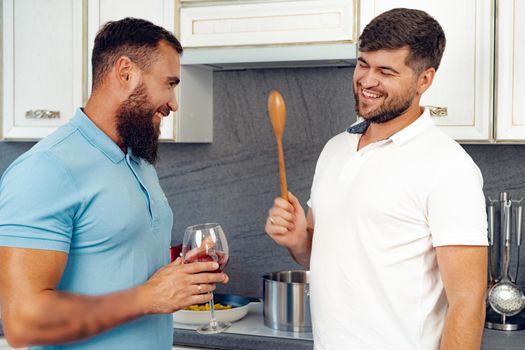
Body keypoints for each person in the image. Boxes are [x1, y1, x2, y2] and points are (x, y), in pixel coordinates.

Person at [265, 8, 488, 350]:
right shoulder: (336, 149)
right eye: (363, 64)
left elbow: (467, 303)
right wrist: (298, 240)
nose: (367, 80)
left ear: (424, 80)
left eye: (385, 71)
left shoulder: (448, 167)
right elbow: (323, 257)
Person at [0, 18, 228, 349]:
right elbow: (24, 323)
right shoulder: (46, 169)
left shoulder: (138, 159)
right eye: (169, 83)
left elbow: (117, 261)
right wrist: (149, 297)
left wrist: (178, 276)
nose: (174, 103)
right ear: (125, 72)